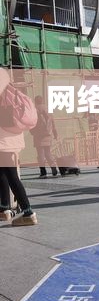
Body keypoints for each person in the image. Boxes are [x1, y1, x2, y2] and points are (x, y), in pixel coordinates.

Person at [0, 69, 38, 226]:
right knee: (2, 173)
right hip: (11, 141)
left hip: (4, 142)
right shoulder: (10, 93)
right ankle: (4, 209)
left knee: (11, 176)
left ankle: (28, 213)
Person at [30, 95, 59, 178]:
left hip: (38, 135)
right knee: (48, 153)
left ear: (35, 101)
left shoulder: (35, 110)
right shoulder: (48, 110)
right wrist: (55, 133)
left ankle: (43, 172)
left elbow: (32, 122)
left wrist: (32, 131)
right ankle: (53, 168)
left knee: (40, 155)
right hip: (48, 135)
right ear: (42, 101)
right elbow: (52, 123)